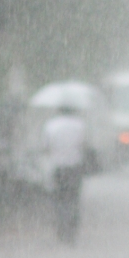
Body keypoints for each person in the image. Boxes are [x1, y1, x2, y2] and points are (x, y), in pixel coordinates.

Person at [43, 104, 88, 242]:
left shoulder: (51, 125)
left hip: (58, 167)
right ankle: (72, 229)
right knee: (73, 198)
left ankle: (61, 228)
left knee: (59, 199)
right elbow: (84, 145)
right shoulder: (80, 125)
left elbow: (45, 146)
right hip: (75, 167)